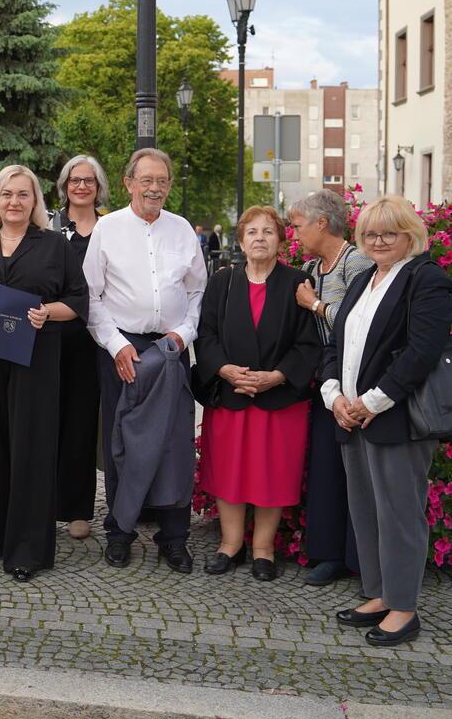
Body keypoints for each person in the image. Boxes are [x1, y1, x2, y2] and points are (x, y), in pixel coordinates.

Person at [321, 196, 452, 647]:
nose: (378, 241)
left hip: (395, 419)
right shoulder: (362, 281)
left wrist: (373, 402)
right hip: (351, 416)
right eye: (371, 234)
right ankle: (378, 594)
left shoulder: (425, 279)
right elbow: (335, 346)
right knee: (366, 510)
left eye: (389, 233)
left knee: (399, 515)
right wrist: (334, 394)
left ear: (409, 235)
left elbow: (424, 351)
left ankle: (404, 608)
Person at [0, 165, 87, 580]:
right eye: (7, 194)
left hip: (36, 359)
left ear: (35, 202)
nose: (14, 202)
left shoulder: (54, 247)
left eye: (23, 195)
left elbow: (78, 300)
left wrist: (47, 312)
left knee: (31, 447)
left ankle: (26, 548)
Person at [84, 148, 206, 573]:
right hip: (125, 349)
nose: (155, 188)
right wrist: (116, 345)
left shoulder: (183, 229)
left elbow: (196, 293)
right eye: (147, 180)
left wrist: (182, 334)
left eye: (163, 181)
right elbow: (91, 297)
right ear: (129, 183)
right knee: (123, 445)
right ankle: (120, 532)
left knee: (174, 444)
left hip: (171, 349)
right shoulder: (108, 229)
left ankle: (174, 537)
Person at [193, 206, 321, 581]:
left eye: (268, 231)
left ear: (281, 240)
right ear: (241, 241)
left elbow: (308, 344)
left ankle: (264, 549)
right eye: (252, 232)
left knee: (273, 473)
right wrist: (224, 369)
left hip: (279, 399)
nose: (260, 238)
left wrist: (277, 377)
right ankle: (230, 545)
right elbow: (206, 333)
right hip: (231, 395)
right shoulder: (223, 282)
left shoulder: (296, 283)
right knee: (230, 470)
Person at [287, 190, 368, 586]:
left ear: (322, 223)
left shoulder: (357, 263)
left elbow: (363, 324)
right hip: (324, 385)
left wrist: (316, 306)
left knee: (355, 473)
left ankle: (358, 558)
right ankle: (328, 554)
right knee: (325, 470)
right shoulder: (311, 266)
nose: (294, 233)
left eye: (298, 225)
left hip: (359, 388)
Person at [48, 154, 109, 540]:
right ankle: (43, 502)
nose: (81, 186)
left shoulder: (112, 227)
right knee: (45, 419)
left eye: (88, 180)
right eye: (75, 180)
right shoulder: (50, 225)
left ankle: (77, 509)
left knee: (82, 424)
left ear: (99, 186)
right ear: (65, 185)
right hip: (51, 334)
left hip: (92, 339)